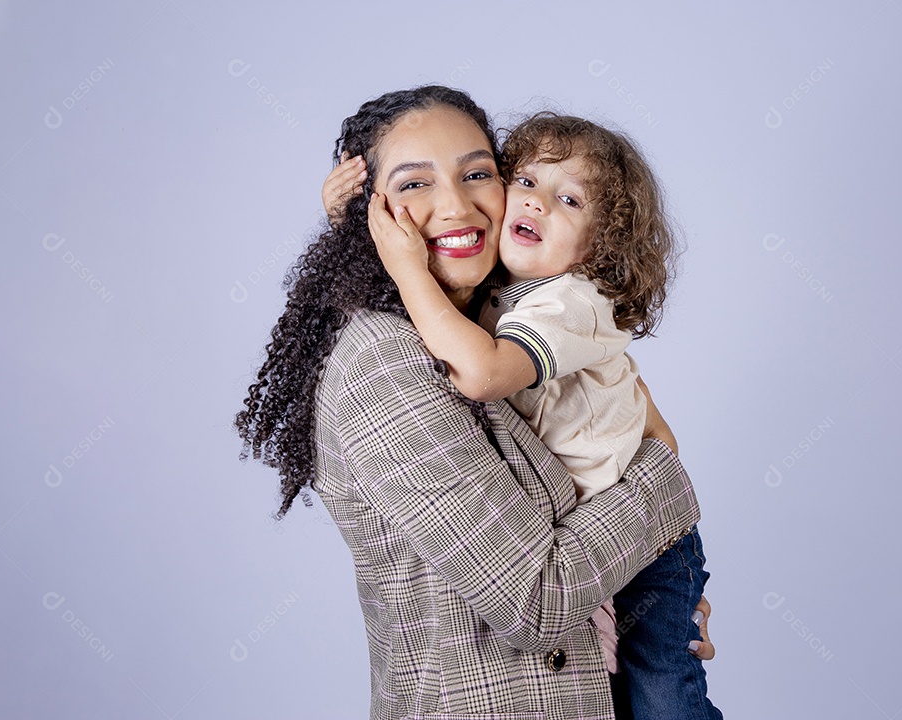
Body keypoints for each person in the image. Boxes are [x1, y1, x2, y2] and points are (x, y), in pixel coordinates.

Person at [237, 86, 712, 720]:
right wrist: (663, 496)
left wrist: (653, 608)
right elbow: (536, 601)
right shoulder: (382, 363)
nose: (457, 205)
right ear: (373, 219)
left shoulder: (509, 314)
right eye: (413, 185)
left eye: (478, 173)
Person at [365, 112, 722, 720]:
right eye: (525, 182)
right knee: (617, 690)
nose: (537, 205)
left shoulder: (573, 300)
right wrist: (349, 213)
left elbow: (480, 373)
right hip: (599, 535)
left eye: (570, 200)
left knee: (663, 695)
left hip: (638, 542)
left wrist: (404, 270)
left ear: (600, 245)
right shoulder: (500, 286)